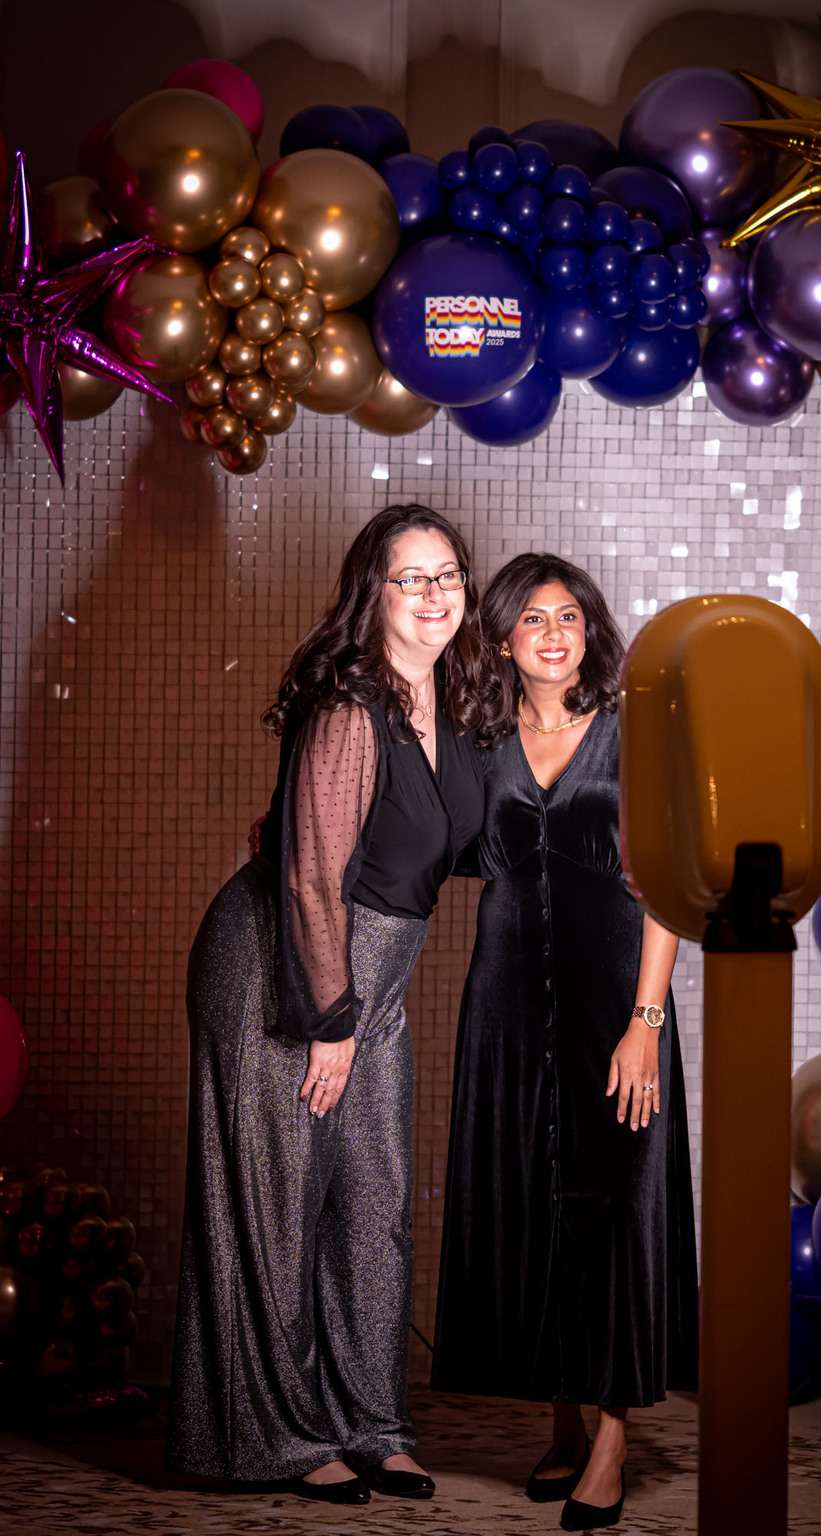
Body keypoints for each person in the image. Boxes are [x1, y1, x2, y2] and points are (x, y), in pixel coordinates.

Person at [167, 503, 490, 1505]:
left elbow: (458, 846)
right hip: (283, 977)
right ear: (372, 593)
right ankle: (274, 1436)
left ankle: (370, 1424)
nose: (435, 595)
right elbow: (312, 879)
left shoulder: (452, 699)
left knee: (374, 1206)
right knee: (275, 1207)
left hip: (370, 991)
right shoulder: (351, 705)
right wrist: (331, 1021)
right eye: (412, 578)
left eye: (448, 575)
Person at [432, 553, 698, 1531]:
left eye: (570, 616)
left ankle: (613, 1440)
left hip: (615, 1006)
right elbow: (424, 840)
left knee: (616, 1209)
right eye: (534, 618)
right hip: (503, 1006)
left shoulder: (635, 735)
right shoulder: (479, 742)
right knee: (529, 1203)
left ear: (591, 630)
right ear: (503, 638)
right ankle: (561, 1422)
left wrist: (645, 1023)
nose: (554, 632)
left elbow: (668, 886)